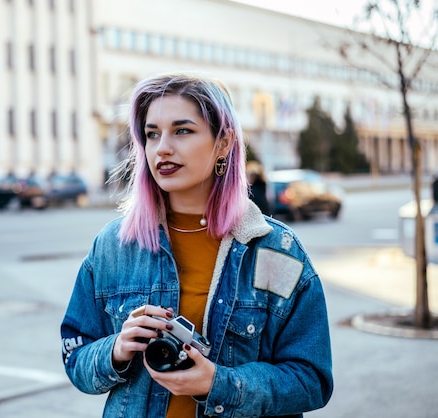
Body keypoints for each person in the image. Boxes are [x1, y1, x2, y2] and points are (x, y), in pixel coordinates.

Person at [60, 72, 333, 418]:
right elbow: (75, 357)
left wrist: (217, 383)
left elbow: (312, 380)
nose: (163, 148)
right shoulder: (114, 246)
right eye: (151, 134)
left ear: (223, 142)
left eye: (182, 130)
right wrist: (115, 349)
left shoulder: (275, 250)